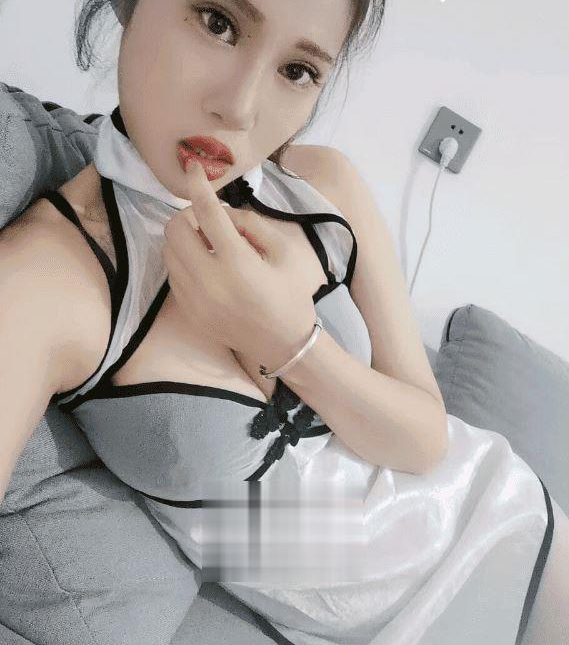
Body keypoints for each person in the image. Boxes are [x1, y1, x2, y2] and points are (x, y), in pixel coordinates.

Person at [0, 1, 567, 643]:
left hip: (507, 536)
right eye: (217, 22)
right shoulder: (48, 279)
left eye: (298, 70)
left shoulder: (323, 186)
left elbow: (426, 440)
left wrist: (290, 343)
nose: (240, 109)